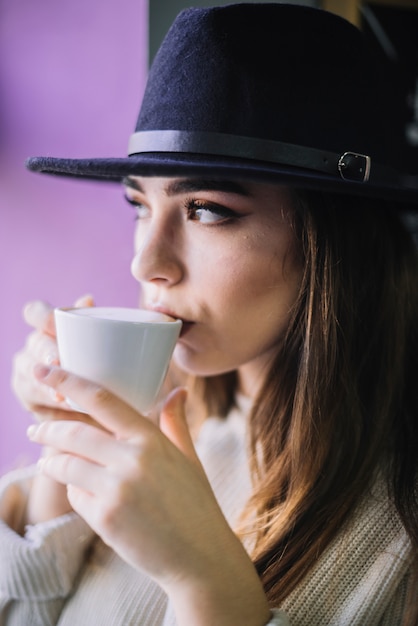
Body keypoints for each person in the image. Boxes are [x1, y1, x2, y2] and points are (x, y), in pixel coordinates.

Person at [1, 3, 417, 625]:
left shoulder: (397, 532)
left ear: (333, 242)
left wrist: (203, 580)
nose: (146, 263)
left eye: (206, 209)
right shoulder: (158, 432)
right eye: (140, 206)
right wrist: (65, 453)